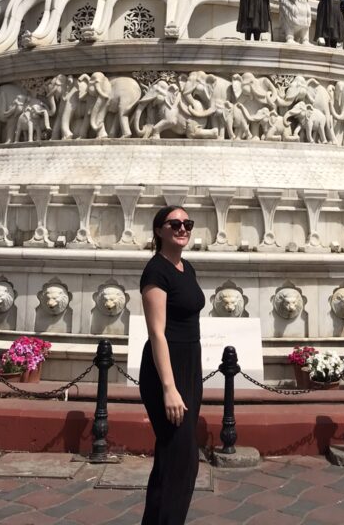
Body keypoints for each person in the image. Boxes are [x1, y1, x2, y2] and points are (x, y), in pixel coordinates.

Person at [139, 206, 205, 525]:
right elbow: (156, 333)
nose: (182, 228)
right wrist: (169, 388)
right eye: (174, 224)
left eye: (187, 224)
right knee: (183, 460)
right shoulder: (156, 271)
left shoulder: (185, 267)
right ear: (159, 231)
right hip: (165, 369)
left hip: (189, 366)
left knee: (170, 458)